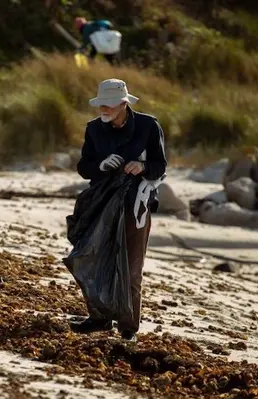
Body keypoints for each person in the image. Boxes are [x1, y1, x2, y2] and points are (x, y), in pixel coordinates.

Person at [69, 78, 167, 342]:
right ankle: (99, 318)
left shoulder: (148, 126)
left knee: (131, 267)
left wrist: (142, 167)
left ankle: (128, 327)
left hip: (135, 203)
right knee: (88, 256)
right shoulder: (93, 129)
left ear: (124, 103)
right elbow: (84, 167)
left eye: (108, 104)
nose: (103, 109)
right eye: (101, 103)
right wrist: (101, 165)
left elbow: (160, 166)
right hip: (100, 203)